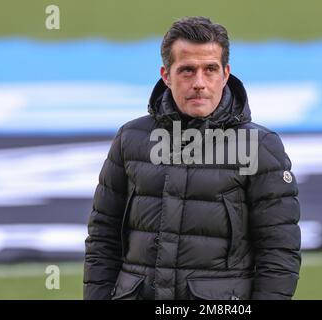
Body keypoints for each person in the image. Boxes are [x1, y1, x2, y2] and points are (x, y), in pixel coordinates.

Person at [83, 16, 301, 300]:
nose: (199, 83)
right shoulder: (130, 139)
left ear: (225, 74)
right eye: (187, 70)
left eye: (210, 69)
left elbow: (279, 252)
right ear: (166, 75)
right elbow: (102, 239)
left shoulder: (260, 146)